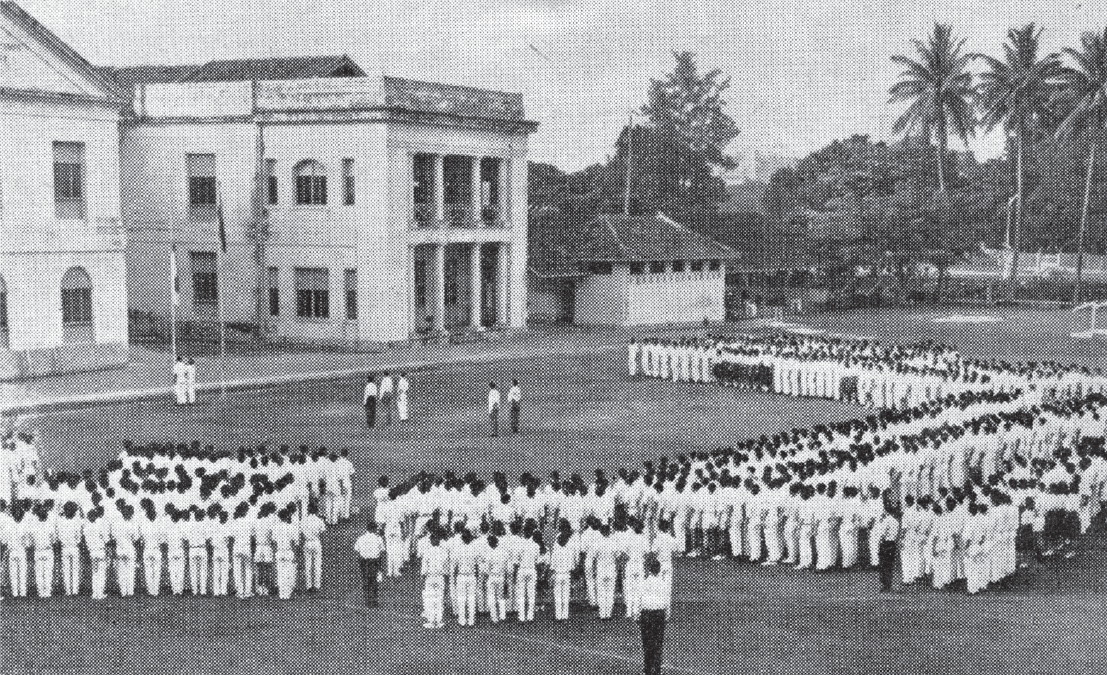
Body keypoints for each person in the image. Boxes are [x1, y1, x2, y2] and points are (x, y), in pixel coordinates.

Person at [639, 555, 670, 675]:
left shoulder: (644, 582)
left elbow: (639, 599)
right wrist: (667, 614)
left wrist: (637, 614)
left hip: (646, 613)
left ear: (649, 569)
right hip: (659, 613)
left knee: (647, 643)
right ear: (659, 570)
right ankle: (657, 670)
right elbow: (666, 600)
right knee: (658, 642)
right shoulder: (663, 583)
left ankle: (647, 669)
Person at [354, 519, 384, 608]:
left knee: (366, 580)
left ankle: (367, 601)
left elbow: (357, 550)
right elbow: (382, 552)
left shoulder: (361, 538)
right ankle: (374, 601)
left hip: (364, 561)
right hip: (374, 561)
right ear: (374, 529)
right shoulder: (378, 538)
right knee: (374, 581)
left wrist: (361, 561)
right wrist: (380, 565)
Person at [873, 506, 901, 593]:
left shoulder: (886, 521)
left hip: (886, 543)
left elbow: (882, 533)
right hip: (893, 544)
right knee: (889, 566)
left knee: (884, 565)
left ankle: (886, 585)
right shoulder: (896, 522)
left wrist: (880, 542)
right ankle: (888, 584)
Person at [301, 502, 325, 592]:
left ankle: (309, 586)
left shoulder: (304, 520)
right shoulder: (319, 520)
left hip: (307, 542)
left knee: (308, 565)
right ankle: (317, 585)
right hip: (316, 542)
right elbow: (322, 533)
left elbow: (302, 534)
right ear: (316, 511)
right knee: (317, 565)